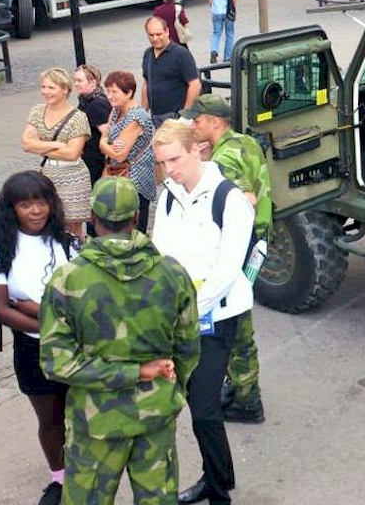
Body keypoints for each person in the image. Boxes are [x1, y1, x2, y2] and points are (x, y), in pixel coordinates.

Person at [39, 177, 200, 505]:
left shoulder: (68, 279)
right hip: (156, 415)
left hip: (96, 422)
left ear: (92, 218)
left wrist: (127, 373)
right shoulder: (173, 273)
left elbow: (56, 362)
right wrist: (169, 390)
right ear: (137, 218)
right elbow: (188, 346)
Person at [151, 121, 254, 505]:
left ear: (198, 149)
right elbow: (160, 252)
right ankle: (219, 477)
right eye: (162, 162)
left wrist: (192, 312)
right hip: (176, 315)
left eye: (175, 159)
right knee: (186, 405)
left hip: (216, 317)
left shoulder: (229, 199)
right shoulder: (168, 193)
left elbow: (228, 270)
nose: (169, 169)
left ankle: (218, 492)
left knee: (204, 410)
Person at [0, 171, 78, 505]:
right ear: (11, 208)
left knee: (80, 413)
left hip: (75, 345)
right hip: (33, 348)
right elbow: (0, 309)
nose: (35, 210)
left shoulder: (67, 241)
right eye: (25, 204)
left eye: (41, 202)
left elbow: (83, 300)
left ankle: (86, 473)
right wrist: (52, 322)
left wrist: (32, 307)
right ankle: (60, 479)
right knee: (50, 418)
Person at [180, 94, 273, 425]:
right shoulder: (244, 142)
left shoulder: (225, 158)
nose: (193, 125)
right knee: (239, 319)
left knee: (236, 326)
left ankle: (248, 401)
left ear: (215, 123)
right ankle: (241, 388)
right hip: (258, 239)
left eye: (198, 120)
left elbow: (246, 197)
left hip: (239, 245)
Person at [21, 68, 92, 239]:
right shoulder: (37, 111)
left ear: (65, 89)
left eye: (51, 88)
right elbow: (26, 143)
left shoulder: (78, 117)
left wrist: (39, 146)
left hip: (73, 178)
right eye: (43, 87)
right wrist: (55, 144)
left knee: (72, 230)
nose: (45, 92)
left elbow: (72, 153)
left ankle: (74, 254)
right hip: (48, 175)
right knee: (48, 223)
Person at [99, 70, 156, 233]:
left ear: (129, 92)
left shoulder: (136, 117)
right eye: (108, 91)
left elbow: (119, 154)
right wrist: (107, 144)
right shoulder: (116, 111)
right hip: (119, 174)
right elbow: (106, 141)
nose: (110, 96)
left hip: (135, 178)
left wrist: (104, 144)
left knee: (134, 225)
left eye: (114, 92)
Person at [140, 16, 201, 128]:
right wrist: (143, 112)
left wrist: (185, 116)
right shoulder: (148, 54)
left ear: (167, 32)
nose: (155, 38)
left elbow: (195, 84)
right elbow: (146, 83)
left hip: (175, 117)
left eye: (158, 34)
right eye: (151, 35)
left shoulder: (181, 54)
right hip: (155, 117)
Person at [73, 64, 111, 186]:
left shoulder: (96, 104)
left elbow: (108, 133)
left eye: (80, 81)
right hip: (90, 157)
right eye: (75, 80)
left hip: (96, 161)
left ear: (93, 82)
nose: (76, 84)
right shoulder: (87, 100)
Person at [206, 0, 238, 64]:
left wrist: (212, 6)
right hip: (228, 11)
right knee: (229, 33)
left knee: (216, 33)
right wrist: (233, 6)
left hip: (216, 11)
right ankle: (227, 57)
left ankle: (214, 50)